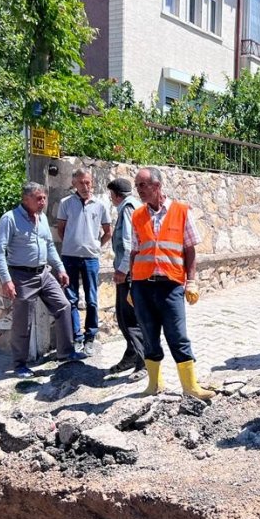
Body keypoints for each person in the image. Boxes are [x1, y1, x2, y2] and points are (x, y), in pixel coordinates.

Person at [130, 166, 214, 401]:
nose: (139, 190)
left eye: (143, 185)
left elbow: (190, 249)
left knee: (177, 335)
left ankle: (190, 386)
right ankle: (155, 384)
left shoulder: (181, 211)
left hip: (171, 285)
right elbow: (135, 252)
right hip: (142, 285)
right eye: (137, 186)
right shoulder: (137, 215)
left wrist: (192, 281)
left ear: (157, 186)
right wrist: (130, 283)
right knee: (148, 335)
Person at [0, 182, 85, 378]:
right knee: (22, 321)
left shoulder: (42, 218)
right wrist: (6, 280)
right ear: (26, 199)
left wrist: (60, 268)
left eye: (44, 198)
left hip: (44, 273)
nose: (43, 202)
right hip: (22, 276)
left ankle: (65, 353)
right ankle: (19, 365)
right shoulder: (10, 219)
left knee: (64, 306)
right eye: (38, 198)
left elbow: (50, 246)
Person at [57, 168, 111, 357]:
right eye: (81, 183)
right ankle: (77, 338)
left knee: (92, 300)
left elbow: (108, 231)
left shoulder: (100, 205)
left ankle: (91, 337)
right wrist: (71, 243)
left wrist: (96, 246)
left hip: (91, 258)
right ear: (74, 184)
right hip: (69, 257)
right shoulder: (66, 203)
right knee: (71, 299)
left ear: (92, 183)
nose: (85, 186)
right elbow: (61, 229)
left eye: (88, 182)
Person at [105, 177, 145, 380]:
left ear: (116, 195)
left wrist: (122, 270)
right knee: (124, 318)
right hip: (131, 271)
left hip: (130, 273)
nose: (111, 199)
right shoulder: (134, 206)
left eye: (111, 195)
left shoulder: (128, 209)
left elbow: (130, 243)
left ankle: (143, 361)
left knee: (130, 320)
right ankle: (131, 355)